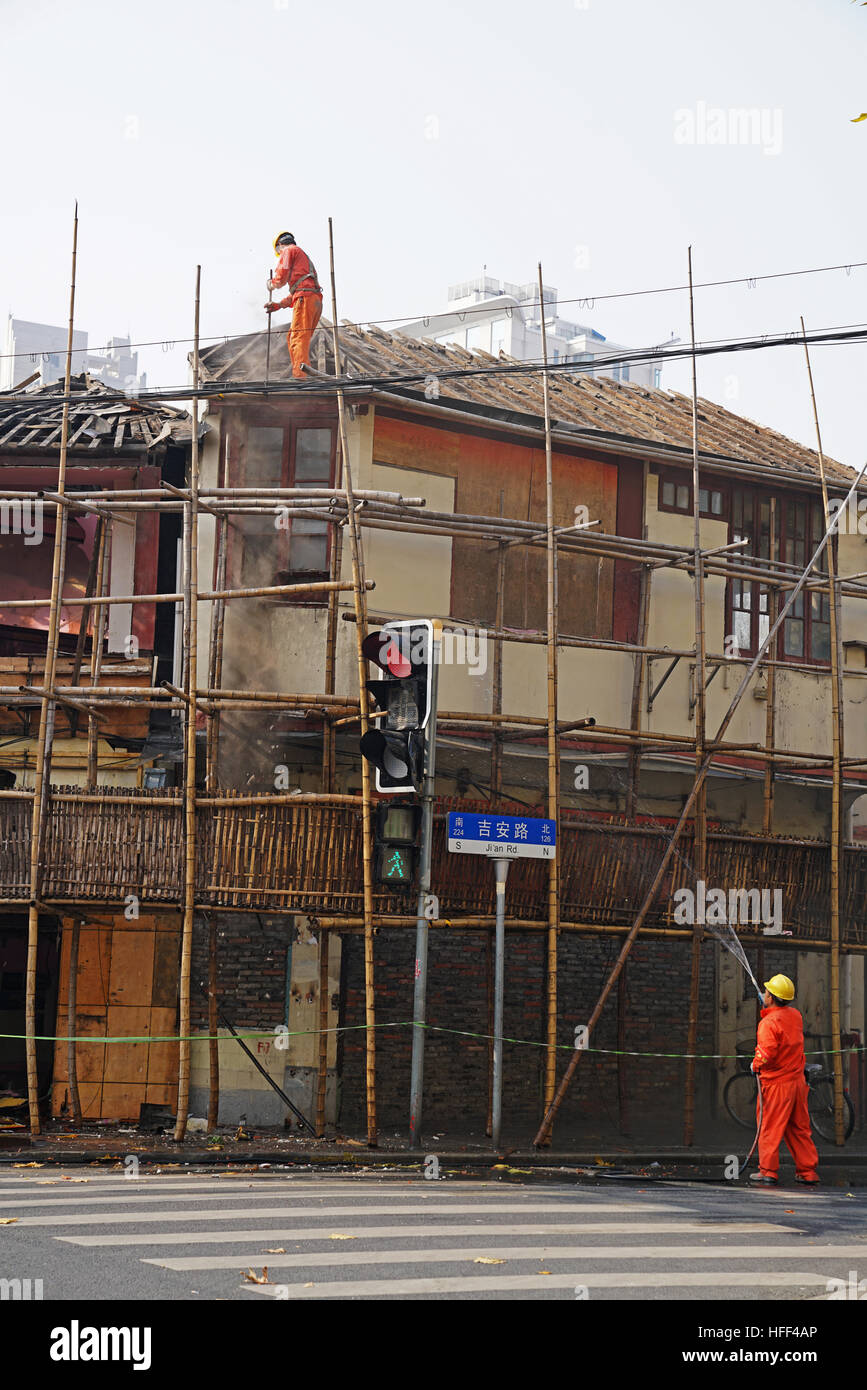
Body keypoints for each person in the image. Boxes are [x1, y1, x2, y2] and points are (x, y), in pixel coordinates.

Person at [748, 973, 820, 1186]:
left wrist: (755, 1064)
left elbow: (766, 1053)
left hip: (776, 1084)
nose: (764, 993)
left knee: (769, 1127)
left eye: (767, 991)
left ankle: (768, 1171)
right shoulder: (795, 1015)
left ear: (771, 997)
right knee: (799, 1128)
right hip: (797, 1083)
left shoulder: (769, 1022)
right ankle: (807, 1172)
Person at [265, 232, 323, 378]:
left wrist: (272, 284)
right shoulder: (301, 257)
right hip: (313, 299)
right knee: (295, 336)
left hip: (306, 298)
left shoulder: (288, 251)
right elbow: (298, 290)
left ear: (279, 246)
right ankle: (302, 371)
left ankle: (300, 376)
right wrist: (279, 305)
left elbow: (281, 277)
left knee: (298, 338)